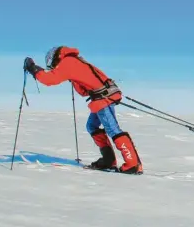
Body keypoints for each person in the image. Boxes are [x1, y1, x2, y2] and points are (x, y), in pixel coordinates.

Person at [23, 46, 143, 175]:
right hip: (101, 97)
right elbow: (84, 91)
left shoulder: (68, 62)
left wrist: (32, 68)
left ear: (55, 57)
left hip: (103, 98)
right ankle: (109, 160)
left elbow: (49, 80)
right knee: (92, 126)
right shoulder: (75, 61)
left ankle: (133, 164)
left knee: (113, 129)